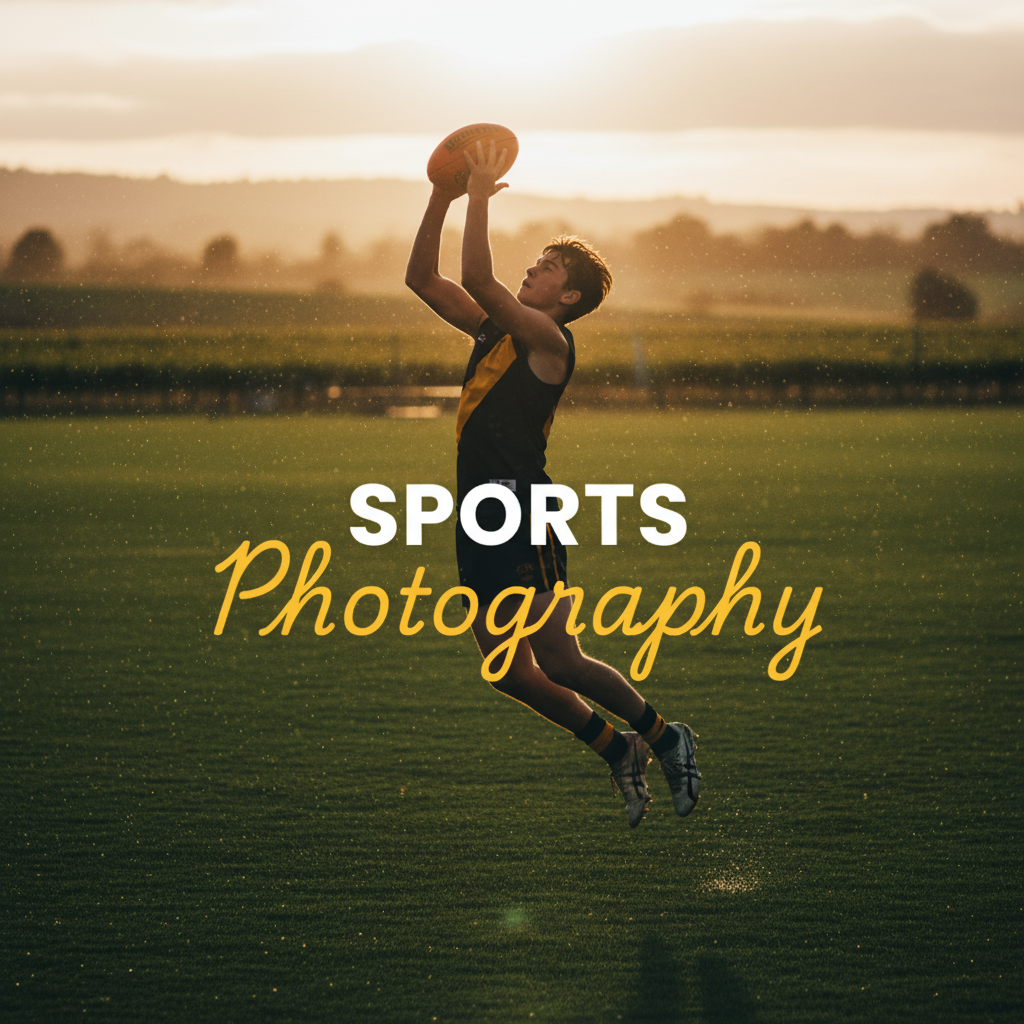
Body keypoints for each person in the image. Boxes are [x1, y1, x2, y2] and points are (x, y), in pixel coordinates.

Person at [405, 139, 699, 827]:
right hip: (481, 512)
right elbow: (424, 279)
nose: (530, 271)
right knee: (506, 669)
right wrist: (441, 197)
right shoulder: (494, 332)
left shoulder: (549, 343)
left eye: (545, 269)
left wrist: (477, 192)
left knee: (560, 657)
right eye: (534, 263)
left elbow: (478, 278)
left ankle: (665, 736)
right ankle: (616, 748)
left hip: (522, 511)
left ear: (568, 298)